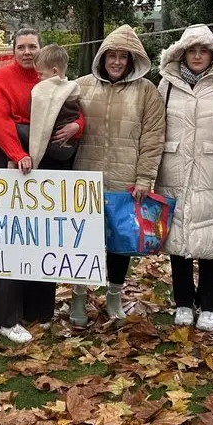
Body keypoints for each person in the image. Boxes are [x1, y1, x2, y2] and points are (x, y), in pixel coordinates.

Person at [0, 28, 83, 343]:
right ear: (13, 51)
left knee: (43, 236)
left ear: (41, 51)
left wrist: (77, 127)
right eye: (22, 47)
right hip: (15, 163)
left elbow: (78, 111)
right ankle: (6, 316)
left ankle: (38, 309)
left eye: (32, 47)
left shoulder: (56, 79)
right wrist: (19, 153)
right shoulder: (3, 78)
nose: (27, 52)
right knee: (12, 237)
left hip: (49, 165)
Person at [69, 25, 166, 325]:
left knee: (121, 244)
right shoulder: (81, 86)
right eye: (111, 55)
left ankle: (114, 296)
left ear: (132, 60)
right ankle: (78, 298)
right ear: (102, 57)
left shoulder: (147, 92)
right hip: (86, 179)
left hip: (125, 183)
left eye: (123, 57)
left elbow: (153, 137)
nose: (116, 62)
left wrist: (144, 178)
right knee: (83, 242)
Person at [154, 25, 213, 332]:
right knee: (177, 238)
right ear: (182, 53)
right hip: (174, 167)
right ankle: (183, 301)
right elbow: (153, 123)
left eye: (203, 50)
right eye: (192, 51)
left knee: (211, 237)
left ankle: (209, 304)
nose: (197, 56)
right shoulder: (166, 84)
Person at [26, 45, 82, 169]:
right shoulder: (73, 88)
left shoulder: (43, 90)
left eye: (40, 74)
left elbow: (35, 117)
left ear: (55, 72)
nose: (38, 78)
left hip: (54, 144)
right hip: (70, 145)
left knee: (18, 130)